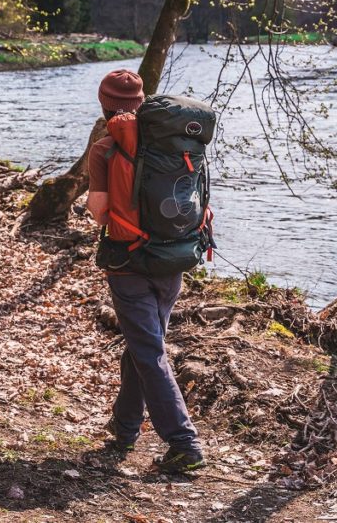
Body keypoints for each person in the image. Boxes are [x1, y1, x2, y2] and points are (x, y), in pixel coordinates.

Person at [86, 69, 206, 473]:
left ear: (104, 105)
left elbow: (100, 212)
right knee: (143, 343)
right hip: (175, 258)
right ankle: (125, 427)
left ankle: (184, 444)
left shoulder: (105, 148)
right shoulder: (180, 144)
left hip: (128, 262)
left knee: (148, 349)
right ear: (142, 102)